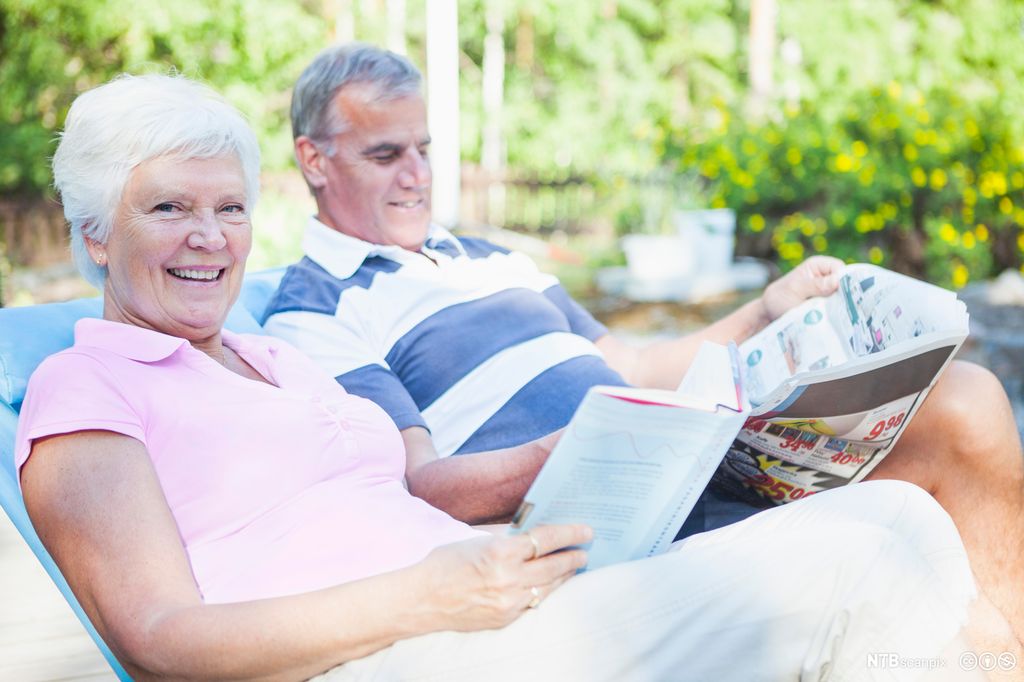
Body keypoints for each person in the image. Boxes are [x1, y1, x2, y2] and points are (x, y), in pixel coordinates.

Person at [13, 73, 990, 681]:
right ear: (96, 233)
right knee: (861, 561)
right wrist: (426, 596)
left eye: (228, 208)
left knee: (894, 521)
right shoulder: (84, 389)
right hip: (382, 649)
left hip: (500, 601)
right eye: (169, 208)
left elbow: (400, 496)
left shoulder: (274, 358)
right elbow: (158, 637)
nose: (208, 237)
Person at [263, 42, 1024, 644]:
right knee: (900, 547)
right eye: (387, 155)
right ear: (314, 161)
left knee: (969, 399)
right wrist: (567, 448)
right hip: (599, 504)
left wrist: (766, 312)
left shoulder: (488, 254)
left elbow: (629, 362)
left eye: (425, 149)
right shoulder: (315, 312)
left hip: (680, 450)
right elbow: (416, 482)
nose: (419, 177)